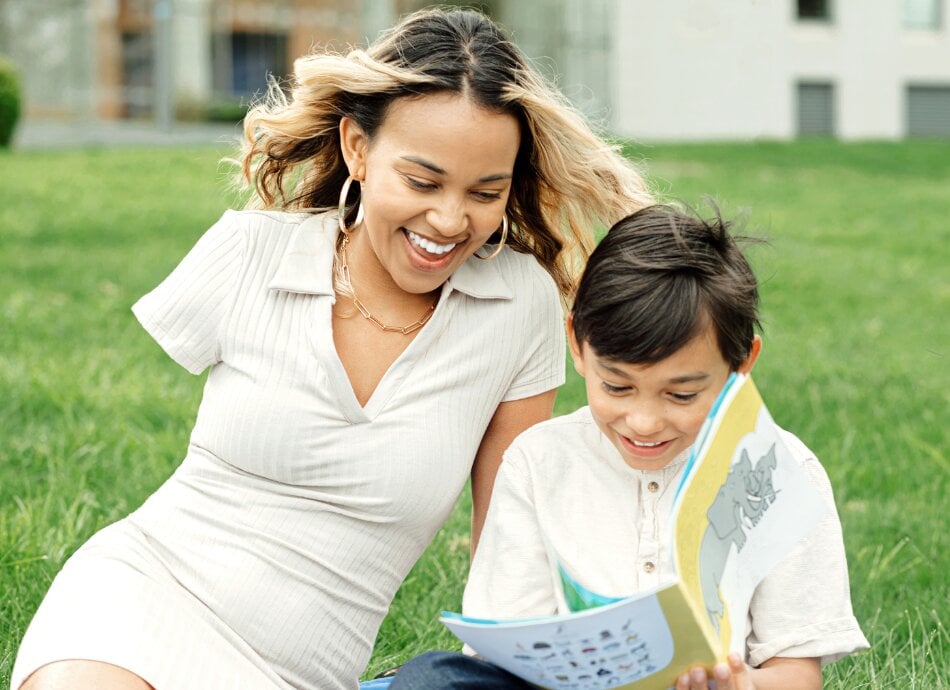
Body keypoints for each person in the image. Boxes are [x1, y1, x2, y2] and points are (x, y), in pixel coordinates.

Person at [10, 8, 653, 690]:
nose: (448, 220)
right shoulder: (251, 252)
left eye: (485, 192)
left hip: (300, 672)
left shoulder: (515, 306)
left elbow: (511, 534)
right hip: (138, 598)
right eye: (423, 181)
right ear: (357, 148)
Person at [389, 205, 869, 690]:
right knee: (431, 676)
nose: (643, 422)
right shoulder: (539, 462)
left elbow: (798, 674)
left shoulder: (783, 472)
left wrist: (742, 685)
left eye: (681, 395)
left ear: (742, 363)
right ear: (577, 343)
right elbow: (502, 653)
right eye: (616, 387)